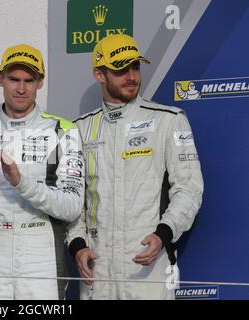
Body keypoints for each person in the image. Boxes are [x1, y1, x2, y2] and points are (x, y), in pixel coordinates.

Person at [67, 34, 204, 300]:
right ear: (99, 74)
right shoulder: (80, 129)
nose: (131, 76)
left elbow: (189, 190)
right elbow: (74, 200)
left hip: (148, 266)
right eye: (120, 69)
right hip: (98, 268)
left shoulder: (170, 120)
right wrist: (77, 245)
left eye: (136, 67)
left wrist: (163, 233)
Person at [0, 44, 85, 299]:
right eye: (14, 79)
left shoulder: (63, 131)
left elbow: (71, 207)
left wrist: (21, 183)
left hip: (42, 248)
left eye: (29, 80)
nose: (20, 88)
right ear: (0, 79)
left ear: (40, 82)